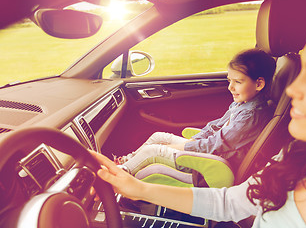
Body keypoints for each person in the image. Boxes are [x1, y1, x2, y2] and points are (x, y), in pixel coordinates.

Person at [91, 0, 306, 227]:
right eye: (302, 72)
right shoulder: (296, 157)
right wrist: (137, 188)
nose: (294, 89)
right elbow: (231, 202)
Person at [114, 48, 276, 175]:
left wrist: (180, 148)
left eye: (238, 82)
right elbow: (214, 127)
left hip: (211, 163)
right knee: (158, 137)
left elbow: (217, 146)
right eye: (229, 81)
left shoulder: (250, 116)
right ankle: (125, 161)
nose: (230, 87)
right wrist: (190, 142)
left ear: (259, 84)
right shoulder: (242, 105)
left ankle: (118, 175)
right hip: (209, 153)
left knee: (152, 150)